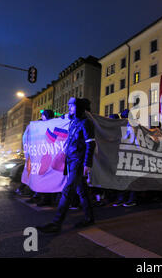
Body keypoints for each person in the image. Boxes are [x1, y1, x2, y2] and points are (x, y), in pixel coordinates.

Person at [37, 97, 96, 233]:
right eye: (69, 105)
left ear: (79, 108)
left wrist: (87, 164)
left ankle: (56, 223)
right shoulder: (73, 123)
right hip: (71, 161)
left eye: (72, 106)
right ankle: (89, 218)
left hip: (78, 162)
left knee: (68, 190)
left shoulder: (86, 123)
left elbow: (90, 144)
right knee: (82, 191)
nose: (69, 108)